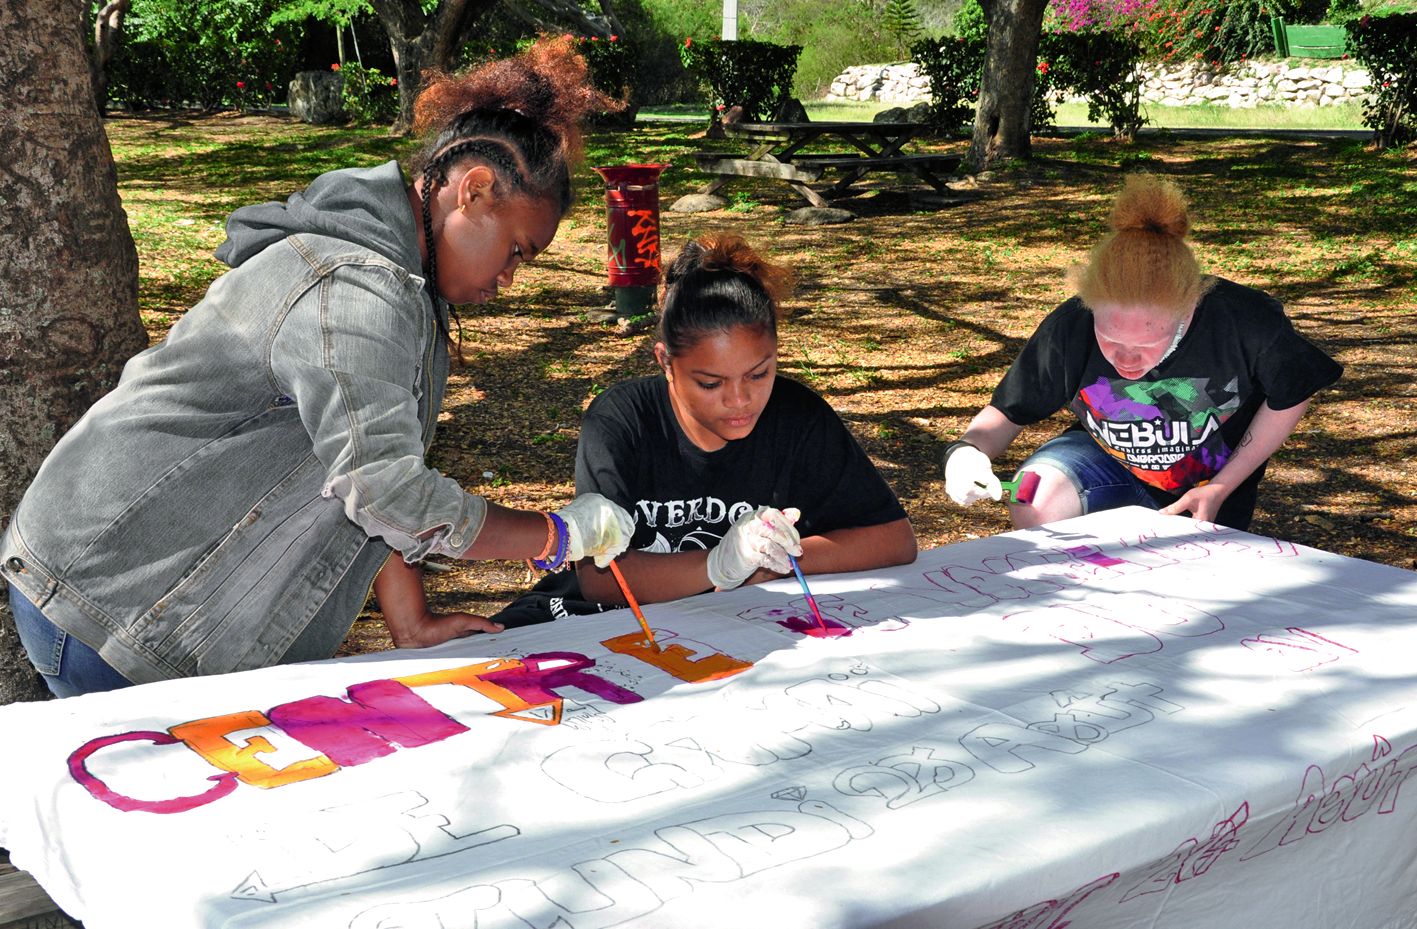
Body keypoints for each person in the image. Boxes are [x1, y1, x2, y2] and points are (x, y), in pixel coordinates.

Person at [0, 38, 635, 698]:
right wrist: (553, 535)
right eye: (515, 251)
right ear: (472, 191)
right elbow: (387, 491)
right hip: (109, 602)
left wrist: (411, 622)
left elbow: (366, 470)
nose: (508, 277)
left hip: (134, 589)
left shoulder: (399, 281)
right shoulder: (355, 289)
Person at [490, 233, 917, 628]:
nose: (739, 400)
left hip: (737, 629)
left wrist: (774, 561)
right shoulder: (622, 421)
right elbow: (601, 579)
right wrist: (717, 564)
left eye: (759, 374)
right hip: (597, 623)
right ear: (665, 362)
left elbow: (893, 539)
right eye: (710, 383)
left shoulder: (796, 416)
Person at [944, 173, 1342, 532]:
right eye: (1111, 341)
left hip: (1206, 486)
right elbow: (1008, 412)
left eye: (1147, 344)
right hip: (1105, 464)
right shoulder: (1070, 327)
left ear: (1189, 309)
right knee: (1031, 494)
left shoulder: (1244, 320)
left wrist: (1223, 486)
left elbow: (1291, 393)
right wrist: (967, 453)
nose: (1126, 360)